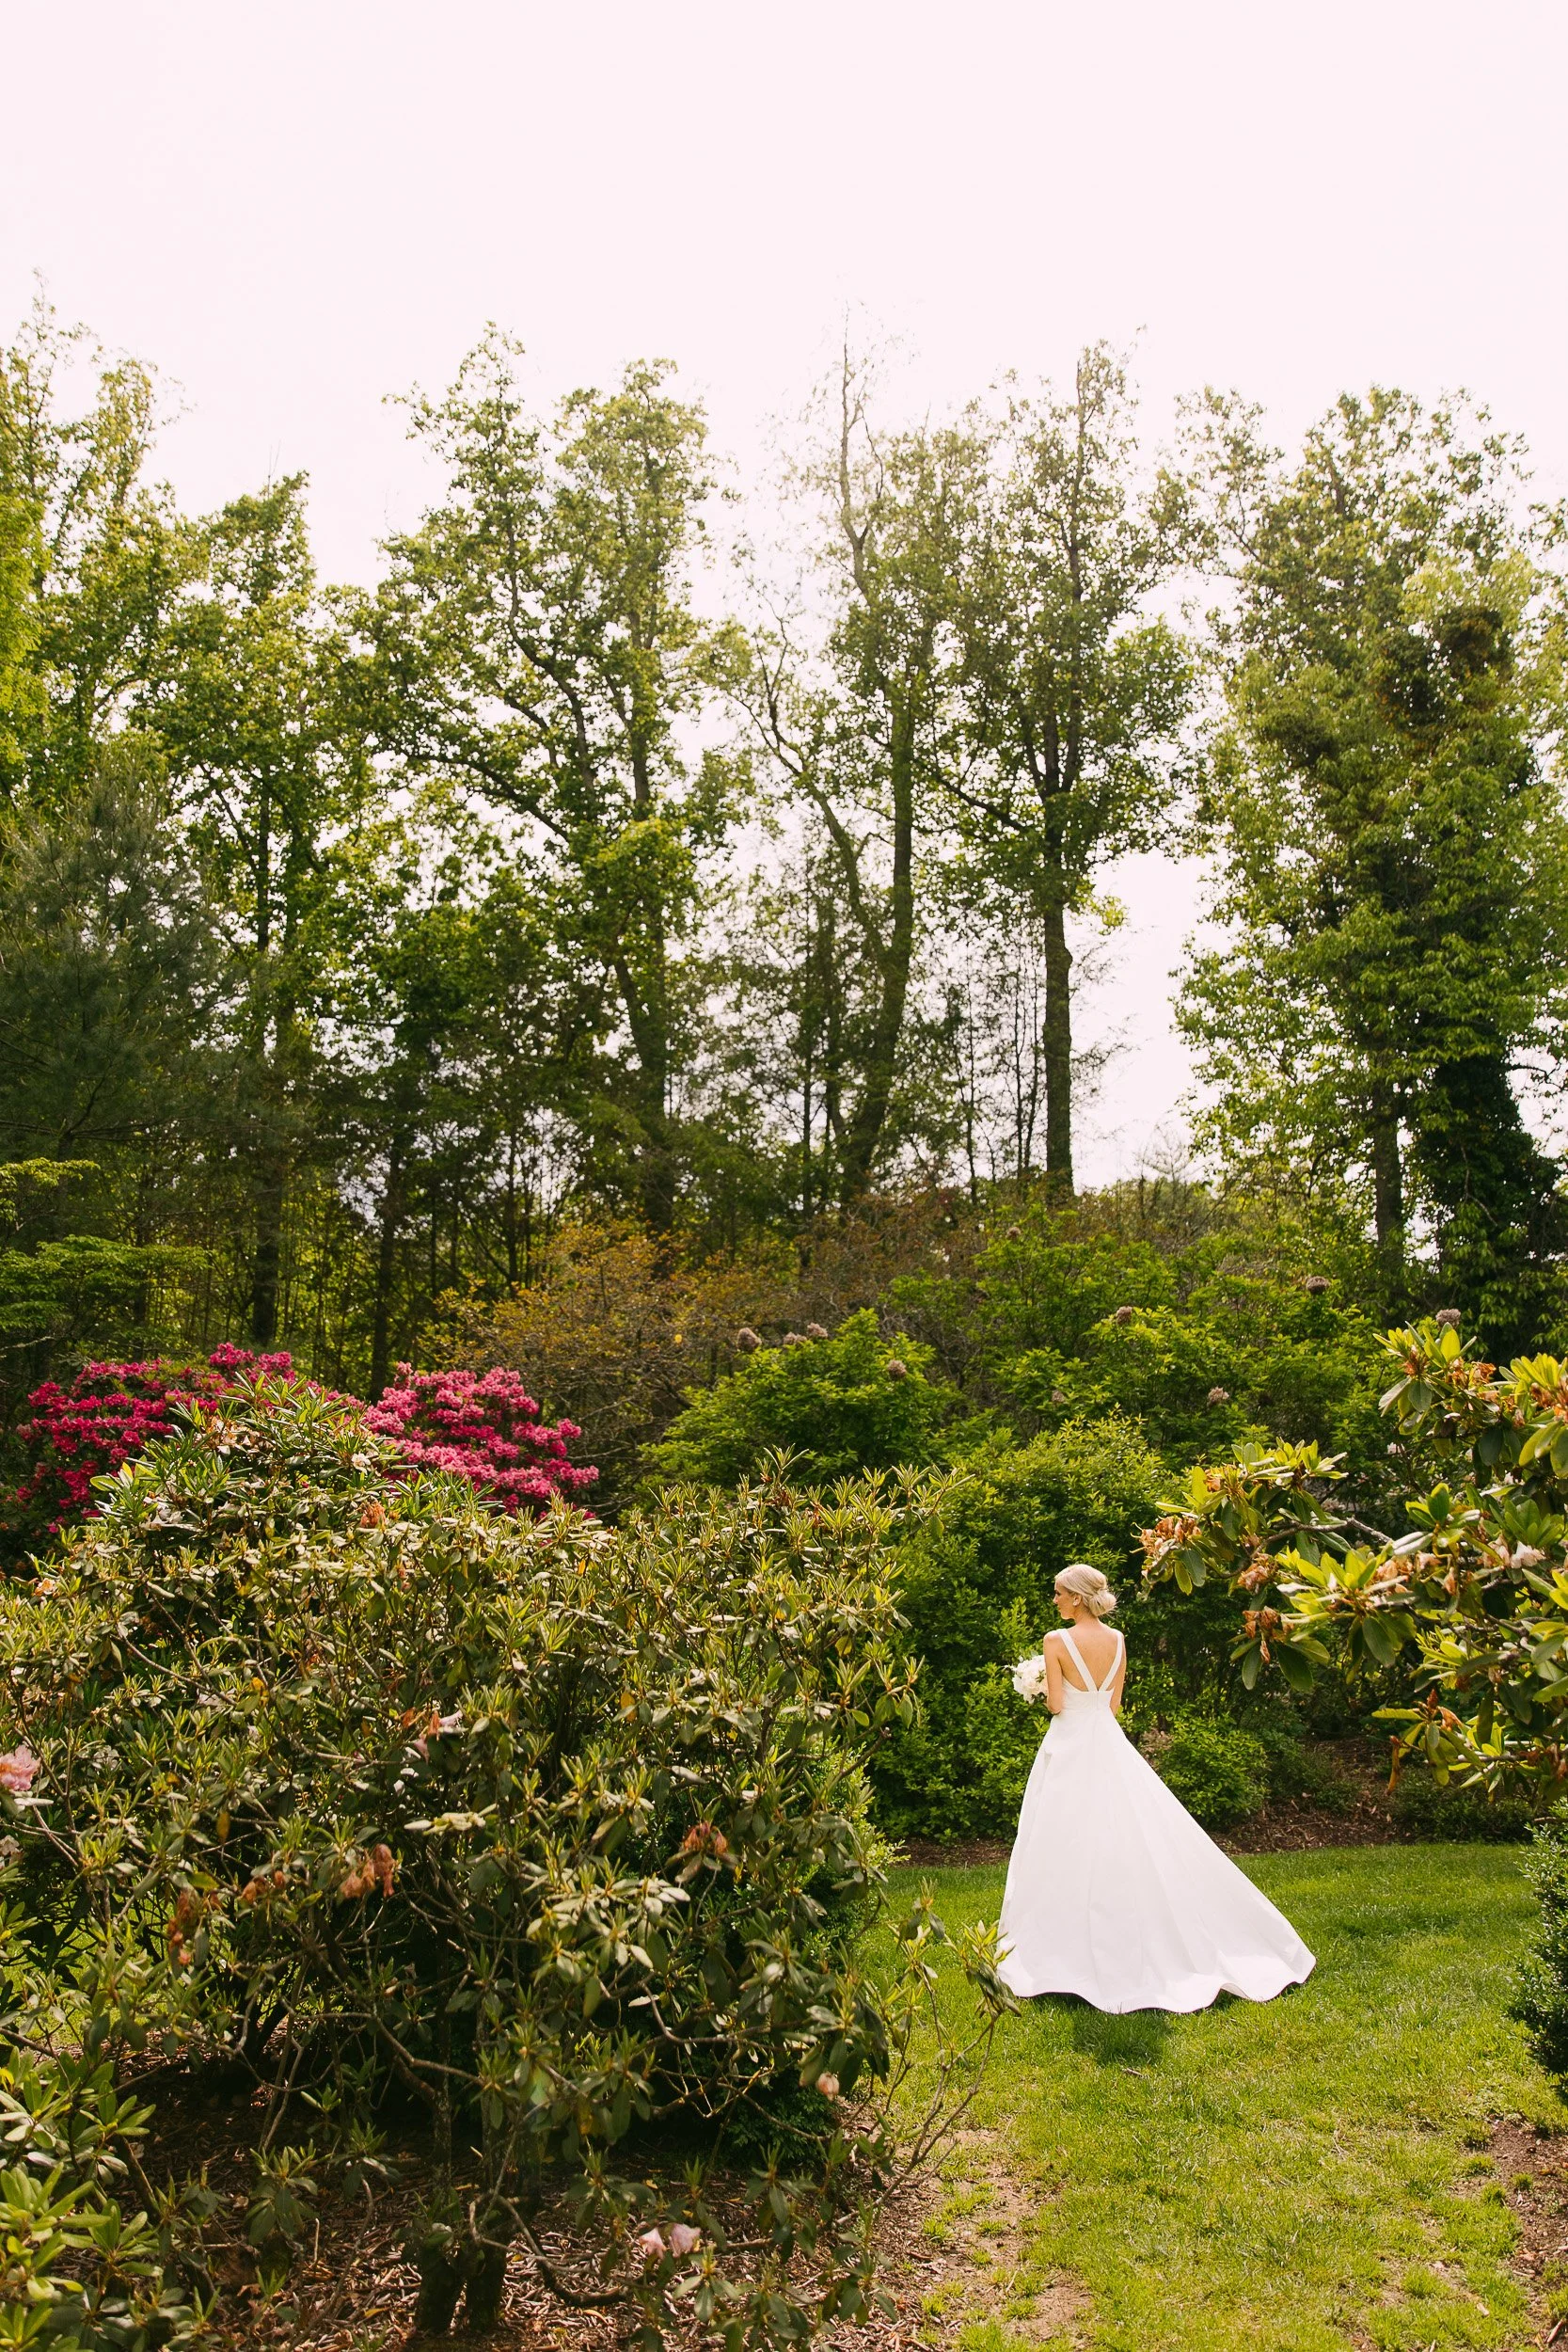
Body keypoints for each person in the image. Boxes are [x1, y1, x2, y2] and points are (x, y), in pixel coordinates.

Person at [996, 1562, 1314, 2013]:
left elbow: (1057, 1703)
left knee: (1062, 1838)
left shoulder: (1055, 1641)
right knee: (1129, 1833)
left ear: (1077, 1597)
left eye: (1058, 1593)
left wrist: (1037, 1685)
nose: (1054, 1600)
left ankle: (1059, 1947)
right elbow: (1115, 1704)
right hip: (1107, 1743)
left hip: (1069, 1745)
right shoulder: (1118, 1640)